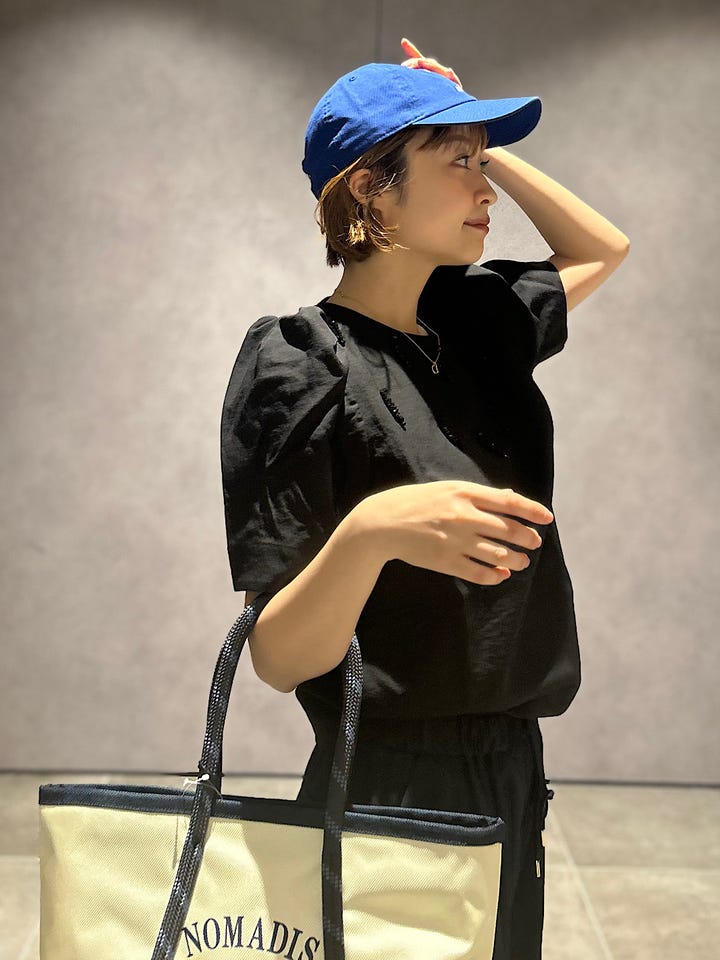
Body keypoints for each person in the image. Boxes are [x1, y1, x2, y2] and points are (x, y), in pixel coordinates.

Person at [220, 39, 629, 960]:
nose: (486, 191)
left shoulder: (477, 322)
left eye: (484, 165)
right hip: (390, 784)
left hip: (513, 764)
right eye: (459, 167)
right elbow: (278, 656)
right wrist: (371, 533)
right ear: (372, 189)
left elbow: (604, 246)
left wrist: (471, 129)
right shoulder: (299, 362)